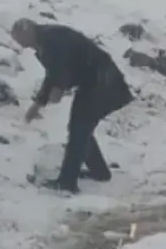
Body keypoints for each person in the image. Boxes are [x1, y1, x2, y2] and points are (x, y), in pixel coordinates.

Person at [10, 18, 134, 194]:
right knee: (80, 128)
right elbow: (53, 73)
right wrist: (39, 103)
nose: (20, 45)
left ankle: (67, 183)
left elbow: (62, 65)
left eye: (19, 39)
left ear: (27, 30)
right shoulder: (44, 42)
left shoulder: (52, 38)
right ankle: (99, 172)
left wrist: (59, 87)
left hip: (104, 82)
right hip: (96, 82)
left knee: (79, 129)